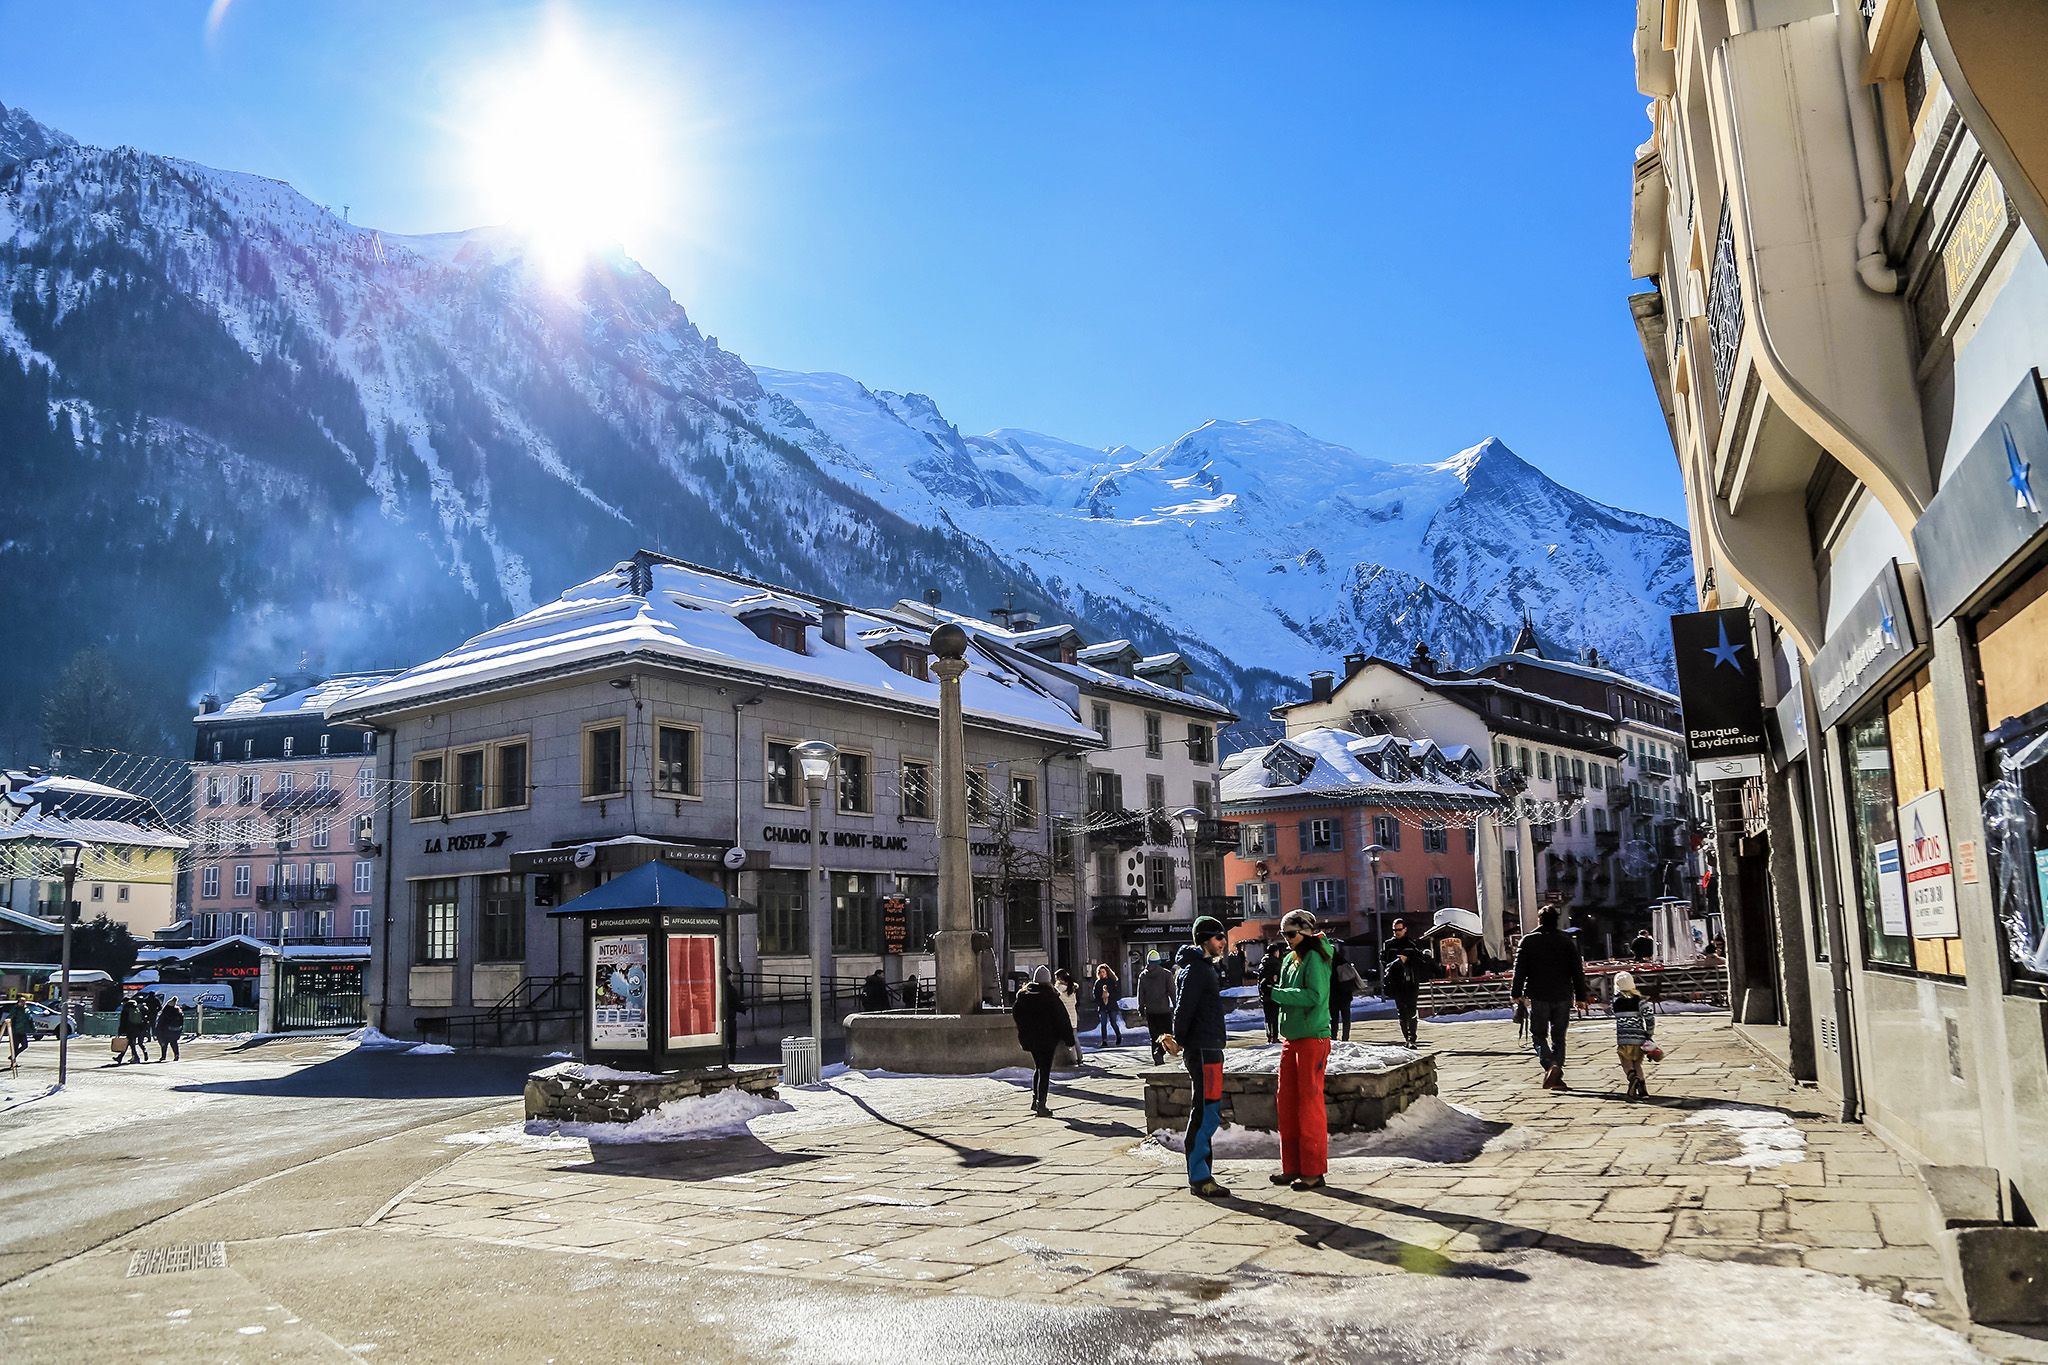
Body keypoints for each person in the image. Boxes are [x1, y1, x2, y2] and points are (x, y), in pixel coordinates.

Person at [1158, 916, 1231, 1198]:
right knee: (1206, 1111)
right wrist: (1179, 1039)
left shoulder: (1201, 968)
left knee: (1208, 1110)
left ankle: (1202, 1174)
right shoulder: (1196, 970)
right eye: (1217, 937)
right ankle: (1200, 1177)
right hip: (1202, 1049)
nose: (1222, 942)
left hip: (1208, 1046)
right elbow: (1183, 1009)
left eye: (1222, 936)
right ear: (1203, 939)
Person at [1268, 908, 1334, 1191]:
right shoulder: (1289, 959)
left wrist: (1276, 993)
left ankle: (1313, 1170)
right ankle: (1292, 1166)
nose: (1286, 939)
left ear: (1305, 932)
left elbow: (1314, 996)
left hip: (1312, 1038)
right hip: (1292, 1037)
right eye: (1283, 934)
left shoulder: (1316, 958)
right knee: (1288, 1103)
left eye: (1291, 934)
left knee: (1309, 1105)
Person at [1511, 906, 1592, 1090]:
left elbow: (1520, 970)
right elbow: (1576, 971)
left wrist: (1516, 993)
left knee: (1538, 1035)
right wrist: (1580, 996)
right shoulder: (1566, 940)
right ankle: (1556, 1074)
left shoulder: (1528, 941)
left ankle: (1550, 1065)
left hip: (1539, 995)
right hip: (1563, 994)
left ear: (1539, 920)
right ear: (1556, 919)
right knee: (1559, 1036)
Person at [1011, 966, 1076, 1116]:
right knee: (1044, 1070)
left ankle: (1035, 1100)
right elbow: (1062, 1020)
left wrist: (1025, 1030)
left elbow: (1017, 1014)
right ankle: (1042, 1104)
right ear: (1048, 981)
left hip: (1031, 1039)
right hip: (1047, 1039)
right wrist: (1069, 1040)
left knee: (1038, 1067)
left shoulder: (1023, 996)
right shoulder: (1051, 998)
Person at [1380, 918, 1434, 1048]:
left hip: (1411, 982)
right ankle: (1407, 1038)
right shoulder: (1388, 945)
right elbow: (1384, 962)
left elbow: (1421, 962)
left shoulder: (1412, 944)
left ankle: (1412, 1038)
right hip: (1396, 982)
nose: (1396, 932)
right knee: (1401, 1012)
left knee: (1411, 1010)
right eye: (1394, 930)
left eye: (1399, 930)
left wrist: (1408, 958)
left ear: (1405, 929)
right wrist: (1397, 962)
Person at [1612, 971, 1655, 1099]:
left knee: (1626, 1062)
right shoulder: (1640, 1001)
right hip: (1639, 1038)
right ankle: (1643, 1091)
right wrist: (1649, 1033)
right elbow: (1649, 1017)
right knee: (1637, 1064)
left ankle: (1632, 1078)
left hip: (1624, 1039)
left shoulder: (1616, 1002)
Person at [1137, 952, 1177, 1065]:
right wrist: (1176, 1006)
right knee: (1167, 1034)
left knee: (1154, 1036)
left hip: (1150, 1011)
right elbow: (1172, 993)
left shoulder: (1143, 976)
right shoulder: (1166, 974)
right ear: (1159, 961)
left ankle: (1156, 1055)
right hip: (1164, 1010)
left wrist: (1140, 1008)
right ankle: (1160, 1051)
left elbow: (1141, 994)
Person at [1326, 942, 1359, 1041]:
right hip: (1345, 994)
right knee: (1346, 1018)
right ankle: (1345, 1037)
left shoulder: (1328, 964)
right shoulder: (1343, 961)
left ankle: (1333, 1037)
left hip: (1333, 995)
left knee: (1334, 1018)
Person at [1256, 944, 1284, 1043]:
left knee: (1268, 1017)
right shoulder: (1276, 963)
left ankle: (1269, 1036)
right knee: (1275, 1016)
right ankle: (1275, 1037)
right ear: (1275, 952)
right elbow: (1278, 978)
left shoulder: (1262, 963)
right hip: (1273, 992)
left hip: (1264, 993)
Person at [1052, 968, 1082, 1056]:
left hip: (1063, 1017)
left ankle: (1061, 1058)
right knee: (1075, 1038)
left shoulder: (1058, 989)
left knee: (1058, 1038)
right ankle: (1079, 1058)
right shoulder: (1072, 988)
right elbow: (1076, 1002)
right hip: (1073, 1016)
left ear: (1059, 979)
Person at [1091, 964, 1123, 1046]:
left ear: (1107, 972)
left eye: (1103, 972)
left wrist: (1110, 995)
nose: (1102, 974)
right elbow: (1095, 995)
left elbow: (1117, 994)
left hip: (1112, 1005)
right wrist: (1100, 1000)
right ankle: (1104, 1040)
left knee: (1113, 1022)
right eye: (1100, 972)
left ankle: (1118, 1035)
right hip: (1102, 1006)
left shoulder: (1112, 981)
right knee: (1103, 1023)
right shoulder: (1098, 983)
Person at [154, 997, 186, 1062]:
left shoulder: (166, 1011)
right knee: (174, 1043)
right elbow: (182, 1021)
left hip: (166, 1031)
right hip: (176, 1030)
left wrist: (158, 1031)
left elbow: (161, 1022)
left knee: (164, 1044)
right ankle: (176, 1055)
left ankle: (163, 1056)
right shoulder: (178, 1011)